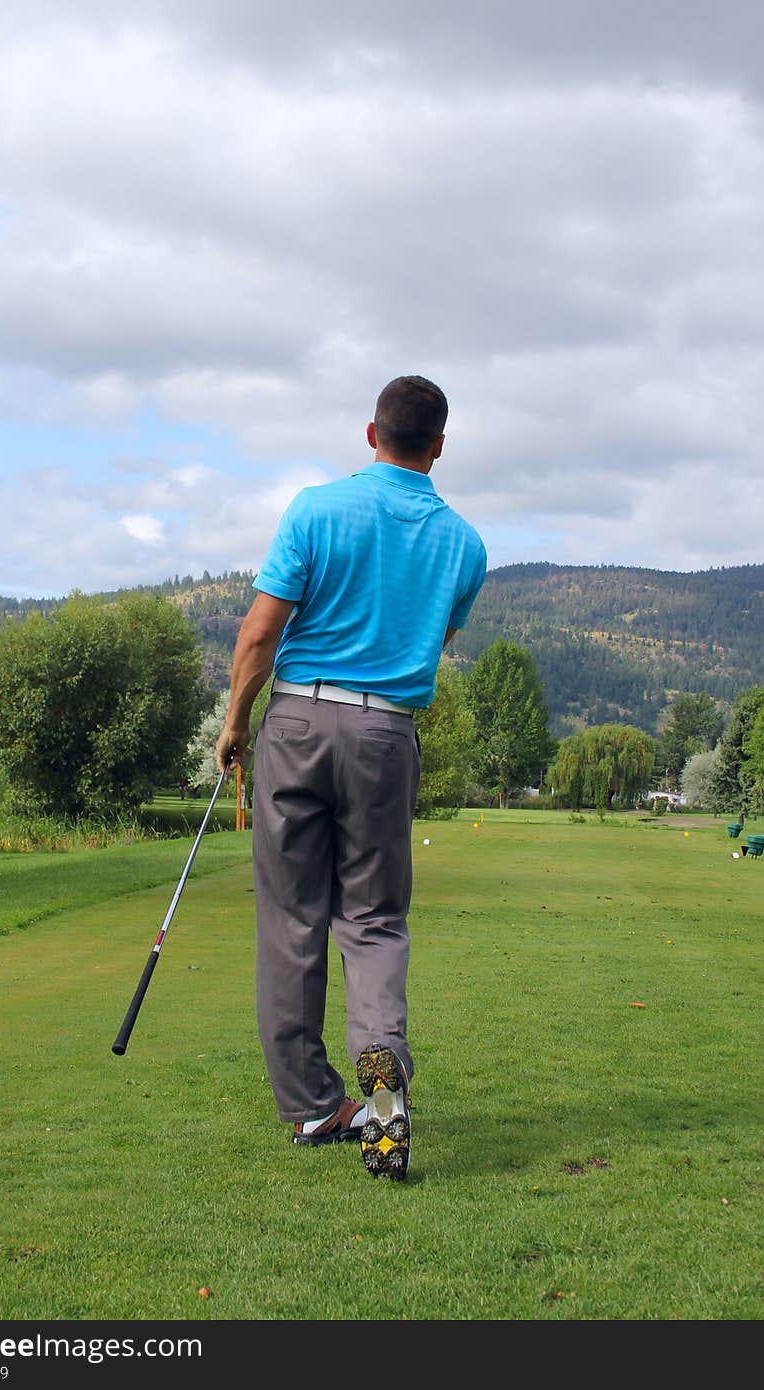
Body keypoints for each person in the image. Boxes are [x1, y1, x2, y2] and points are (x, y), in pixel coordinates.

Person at [215, 375, 487, 1180]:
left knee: (293, 921)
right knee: (371, 920)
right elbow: (428, 641)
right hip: (384, 734)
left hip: (297, 723)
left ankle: (309, 1107)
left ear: (371, 434)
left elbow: (260, 635)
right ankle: (380, 1095)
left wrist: (235, 724)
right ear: (439, 445)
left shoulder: (314, 509)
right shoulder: (464, 545)